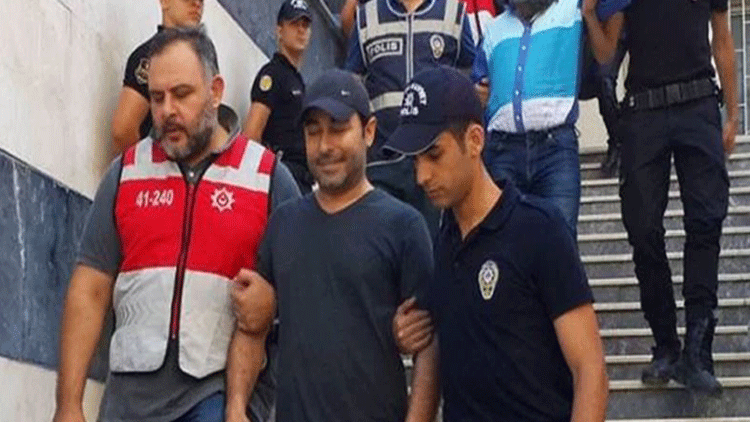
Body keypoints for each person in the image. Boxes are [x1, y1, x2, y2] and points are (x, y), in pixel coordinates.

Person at [53, 27, 300, 422]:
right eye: (156, 97)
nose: (167, 110)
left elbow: (308, 290)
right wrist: (68, 404)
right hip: (128, 402)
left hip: (216, 396)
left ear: (216, 91)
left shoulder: (268, 178)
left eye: (182, 94)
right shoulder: (125, 173)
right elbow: (91, 288)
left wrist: (273, 304)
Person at [387, 66, 609, 422]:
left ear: (475, 140)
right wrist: (408, 333)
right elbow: (432, 357)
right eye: (415, 160)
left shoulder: (539, 230)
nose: (422, 175)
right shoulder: (442, 244)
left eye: (434, 154)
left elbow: (590, 370)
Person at [230, 69, 440, 422]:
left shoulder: (404, 226)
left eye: (338, 129)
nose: (325, 146)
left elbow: (429, 346)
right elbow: (252, 326)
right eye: (313, 132)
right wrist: (236, 408)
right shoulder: (283, 224)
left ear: (369, 131)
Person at [593, 0, 738, 395]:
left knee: (706, 222)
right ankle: (666, 346)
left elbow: (722, 40)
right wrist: (589, 13)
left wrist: (733, 115)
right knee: (642, 229)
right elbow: (606, 54)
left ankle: (698, 352)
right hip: (644, 112)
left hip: (699, 104)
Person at [472, 0, 626, 236]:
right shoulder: (493, 29)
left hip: (554, 152)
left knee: (559, 243)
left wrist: (589, 14)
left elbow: (609, 40)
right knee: (504, 245)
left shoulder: (572, 9)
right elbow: (478, 86)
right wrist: (478, 93)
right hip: (502, 152)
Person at [344, 0, 476, 235]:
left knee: (431, 244)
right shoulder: (366, 16)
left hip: (436, 160)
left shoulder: (453, 11)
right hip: (382, 160)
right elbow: (350, 88)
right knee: (381, 243)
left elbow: (470, 81)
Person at [112, 0, 204, 152]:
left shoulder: (204, 56)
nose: (196, 3)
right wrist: (146, 165)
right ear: (165, 2)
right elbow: (123, 131)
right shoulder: (149, 56)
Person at [244, 0, 314, 193]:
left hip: (302, 181)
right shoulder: (272, 74)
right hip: (281, 176)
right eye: (294, 24)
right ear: (280, 30)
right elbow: (251, 135)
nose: (301, 30)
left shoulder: (298, 81)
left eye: (305, 25)